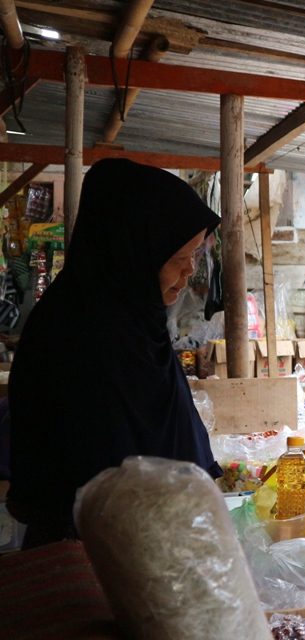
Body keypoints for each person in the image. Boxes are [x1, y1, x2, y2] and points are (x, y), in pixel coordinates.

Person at [8, 158, 223, 549]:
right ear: (135, 253)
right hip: (94, 559)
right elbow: (94, 479)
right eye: (179, 258)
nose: (190, 270)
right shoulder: (81, 336)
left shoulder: (139, 325)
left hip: (154, 549)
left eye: (194, 255)